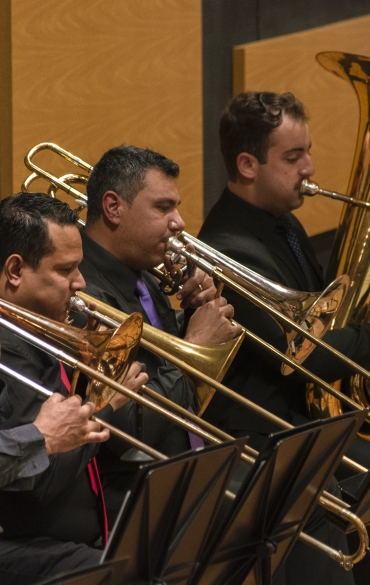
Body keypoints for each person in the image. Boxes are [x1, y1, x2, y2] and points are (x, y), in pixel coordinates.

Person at [197, 91, 370, 585]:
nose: (310, 167)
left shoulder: (285, 223)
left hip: (304, 419)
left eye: (308, 152)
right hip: (266, 433)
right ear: (248, 164)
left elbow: (323, 320)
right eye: (294, 157)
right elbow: (304, 356)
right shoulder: (229, 249)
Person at [76, 144, 242, 525]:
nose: (179, 222)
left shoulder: (146, 276)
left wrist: (198, 318)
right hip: (136, 490)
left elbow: (163, 366)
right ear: (114, 207)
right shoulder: (85, 294)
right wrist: (194, 348)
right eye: (163, 208)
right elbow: (129, 428)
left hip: (186, 461)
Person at [0, 192, 148, 585]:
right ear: (15, 270)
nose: (81, 283)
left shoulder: (38, 332)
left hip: (71, 533)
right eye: (66, 270)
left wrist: (87, 372)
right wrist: (104, 407)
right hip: (35, 545)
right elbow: (37, 486)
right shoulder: (9, 352)